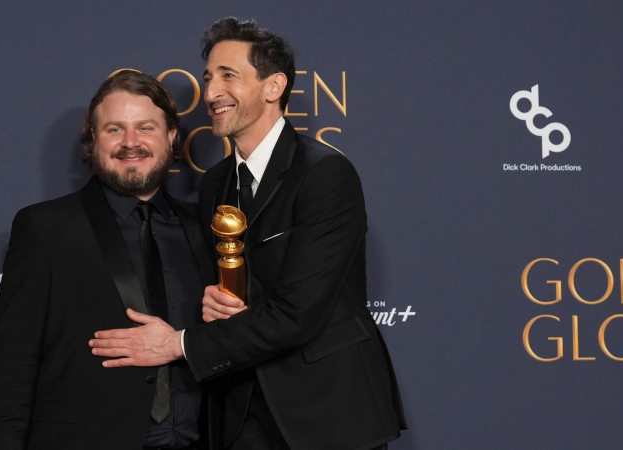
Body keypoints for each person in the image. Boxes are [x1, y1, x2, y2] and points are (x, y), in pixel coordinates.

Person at [89, 18, 407, 450]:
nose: (212, 92)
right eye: (208, 77)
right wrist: (215, 299)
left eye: (228, 76)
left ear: (273, 86)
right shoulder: (215, 182)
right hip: (240, 413)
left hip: (325, 415)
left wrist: (179, 343)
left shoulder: (325, 175)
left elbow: (298, 314)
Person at [0, 70, 214, 450]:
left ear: (171, 137)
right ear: (93, 138)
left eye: (146, 128)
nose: (131, 143)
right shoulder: (45, 228)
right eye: (114, 129)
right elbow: (10, 371)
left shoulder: (205, 227)